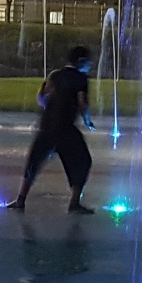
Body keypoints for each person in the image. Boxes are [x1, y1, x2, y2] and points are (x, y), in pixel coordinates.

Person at [8, 45, 96, 213]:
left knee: (35, 161)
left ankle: (20, 200)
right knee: (83, 161)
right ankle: (74, 202)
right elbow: (82, 103)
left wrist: (50, 109)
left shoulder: (55, 75)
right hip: (65, 129)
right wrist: (87, 121)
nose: (90, 65)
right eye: (88, 62)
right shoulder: (81, 79)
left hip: (47, 125)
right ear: (81, 61)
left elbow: (41, 97)